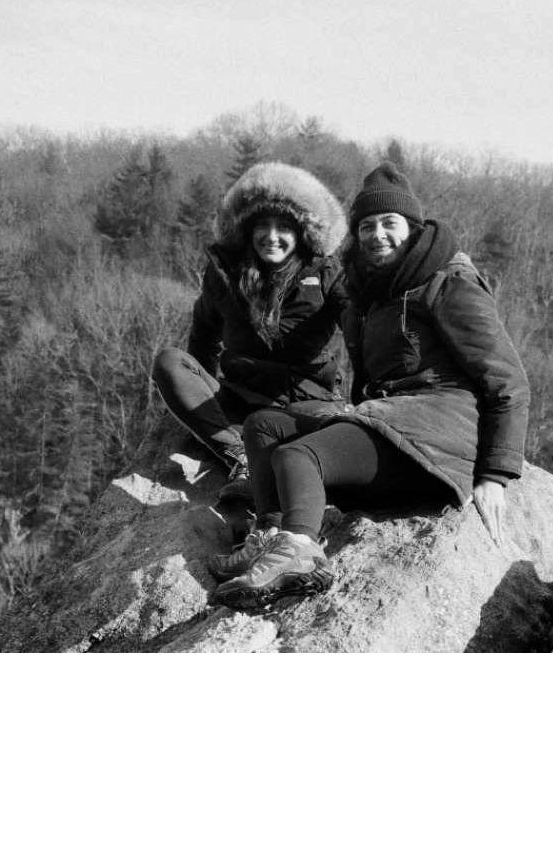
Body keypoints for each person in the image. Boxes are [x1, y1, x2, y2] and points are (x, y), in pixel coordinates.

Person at [209, 160, 530, 610]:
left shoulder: (448, 281)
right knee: (264, 426)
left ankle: (300, 552)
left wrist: (496, 474)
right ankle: (272, 534)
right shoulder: (371, 292)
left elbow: (507, 380)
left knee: (298, 455)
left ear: (412, 228)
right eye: (367, 226)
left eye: (389, 223)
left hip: (435, 436)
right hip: (387, 420)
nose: (377, 234)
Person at [151, 161, 348, 499]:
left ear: (301, 233)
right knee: (169, 362)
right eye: (263, 226)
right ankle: (238, 455)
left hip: (306, 403)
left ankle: (268, 477)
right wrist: (200, 400)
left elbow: (357, 326)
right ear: (247, 230)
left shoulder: (326, 273)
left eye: (283, 227)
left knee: (303, 441)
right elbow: (202, 340)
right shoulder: (225, 275)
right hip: (238, 401)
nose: (272, 237)